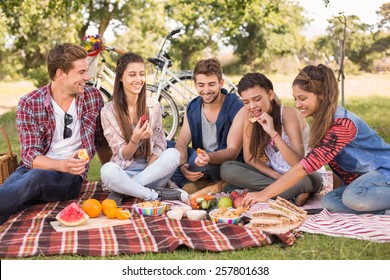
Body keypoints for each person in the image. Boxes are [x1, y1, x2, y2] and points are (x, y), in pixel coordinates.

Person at [242, 64, 390, 214]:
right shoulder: (323, 122)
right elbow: (336, 166)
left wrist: (264, 194)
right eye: (295, 99)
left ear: (321, 95)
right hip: (366, 181)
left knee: (353, 197)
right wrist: (337, 191)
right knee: (330, 201)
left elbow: (304, 167)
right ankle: (381, 209)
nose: (298, 104)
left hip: (384, 172)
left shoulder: (342, 125)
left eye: (302, 98)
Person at [0, 43, 111, 225]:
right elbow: (29, 155)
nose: (87, 77)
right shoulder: (29, 102)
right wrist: (60, 164)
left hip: (70, 177)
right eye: (81, 72)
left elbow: (101, 141)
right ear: (61, 73)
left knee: (35, 179)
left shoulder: (92, 97)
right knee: (13, 187)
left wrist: (110, 177)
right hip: (30, 169)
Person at [221, 73, 323, 206]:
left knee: (303, 182)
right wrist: (275, 176)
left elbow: (299, 164)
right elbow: (250, 158)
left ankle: (261, 191)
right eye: (246, 102)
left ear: (270, 95)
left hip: (304, 174)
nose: (252, 106)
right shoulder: (250, 116)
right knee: (227, 169)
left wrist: (273, 133)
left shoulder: (288, 115)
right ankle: (286, 194)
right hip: (275, 174)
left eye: (257, 99)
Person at [100, 52, 188, 205]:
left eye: (142, 74)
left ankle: (124, 191)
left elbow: (160, 146)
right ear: (120, 78)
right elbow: (123, 155)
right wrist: (135, 140)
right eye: (132, 75)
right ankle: (153, 195)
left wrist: (148, 170)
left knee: (173, 153)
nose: (138, 80)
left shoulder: (153, 106)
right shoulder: (108, 112)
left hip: (152, 172)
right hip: (124, 172)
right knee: (107, 170)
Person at [170, 58, 245, 195]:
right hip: (199, 160)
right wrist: (182, 166)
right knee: (165, 147)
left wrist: (208, 157)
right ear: (195, 84)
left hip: (224, 164)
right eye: (201, 85)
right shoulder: (193, 107)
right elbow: (181, 143)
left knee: (197, 161)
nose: (206, 90)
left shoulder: (236, 106)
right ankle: (199, 184)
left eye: (211, 84)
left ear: (221, 83)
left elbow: (233, 151)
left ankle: (192, 185)